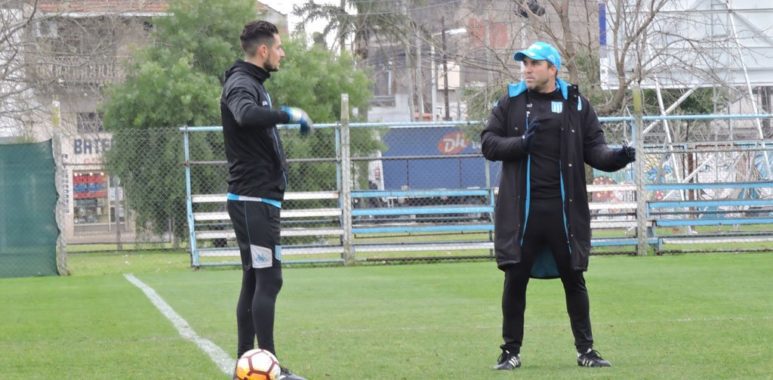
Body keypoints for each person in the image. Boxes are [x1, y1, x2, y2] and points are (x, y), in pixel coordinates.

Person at [480, 41, 635, 370]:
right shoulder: (511, 102)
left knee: (574, 279)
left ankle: (586, 351)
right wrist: (522, 144)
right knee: (515, 280)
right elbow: (489, 144)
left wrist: (618, 157)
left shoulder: (576, 104)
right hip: (522, 214)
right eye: (524, 63)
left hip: (564, 213)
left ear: (553, 69)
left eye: (535, 64)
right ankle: (510, 352)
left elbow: (596, 150)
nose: (527, 69)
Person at [221, 20, 313, 380]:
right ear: (263, 51)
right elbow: (245, 116)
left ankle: (247, 363)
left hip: (257, 200)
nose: (282, 52)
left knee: (255, 280)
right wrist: (288, 114)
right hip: (253, 200)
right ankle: (269, 366)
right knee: (268, 280)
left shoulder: (252, 82)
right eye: (278, 47)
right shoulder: (241, 83)